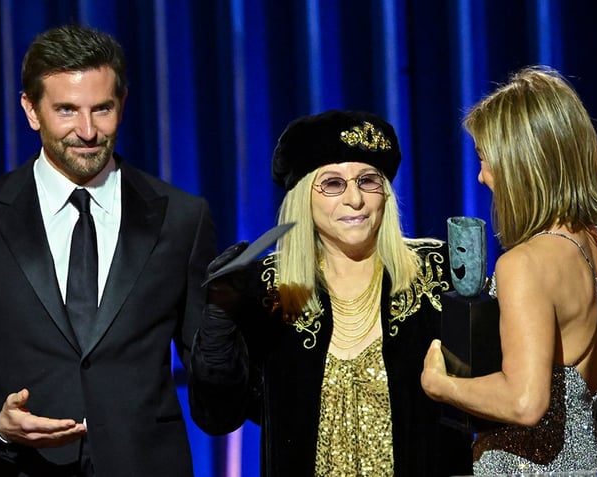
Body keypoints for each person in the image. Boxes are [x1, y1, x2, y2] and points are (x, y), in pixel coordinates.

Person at [0, 24, 215, 476]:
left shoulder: (182, 218)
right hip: (20, 467)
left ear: (123, 104)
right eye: (67, 110)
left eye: (103, 109)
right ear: (31, 110)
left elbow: (210, 364)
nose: (88, 131)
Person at [189, 109, 476, 476]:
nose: (354, 199)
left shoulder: (437, 272)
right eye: (333, 184)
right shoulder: (270, 289)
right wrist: (218, 322)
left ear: (385, 195)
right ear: (303, 197)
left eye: (368, 180)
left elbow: (486, 398)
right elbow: (218, 415)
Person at [420, 65, 597, 473]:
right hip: (589, 464)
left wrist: (442, 385)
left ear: (522, 164)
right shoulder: (593, 245)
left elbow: (524, 402)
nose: (481, 177)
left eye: (485, 159)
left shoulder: (523, 264)